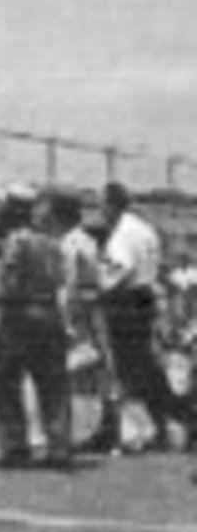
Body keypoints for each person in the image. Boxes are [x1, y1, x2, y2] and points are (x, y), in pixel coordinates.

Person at [99, 182, 193, 450]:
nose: (101, 211)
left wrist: (101, 288)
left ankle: (128, 431)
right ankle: (166, 426)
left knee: (127, 371)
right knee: (146, 369)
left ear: (112, 205)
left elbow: (119, 269)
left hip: (126, 302)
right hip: (144, 300)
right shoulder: (145, 229)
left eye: (103, 205)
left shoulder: (123, 234)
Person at [0, 187, 71, 469]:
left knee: (5, 382)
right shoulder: (52, 242)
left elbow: (11, 283)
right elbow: (61, 280)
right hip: (50, 316)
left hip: (20, 319)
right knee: (53, 385)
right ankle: (59, 446)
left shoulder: (16, 241)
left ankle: (15, 446)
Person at [55, 188, 120, 454]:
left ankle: (66, 433)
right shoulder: (90, 241)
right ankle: (109, 429)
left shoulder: (70, 242)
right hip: (95, 313)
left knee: (69, 374)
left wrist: (66, 322)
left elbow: (66, 285)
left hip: (80, 315)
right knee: (103, 374)